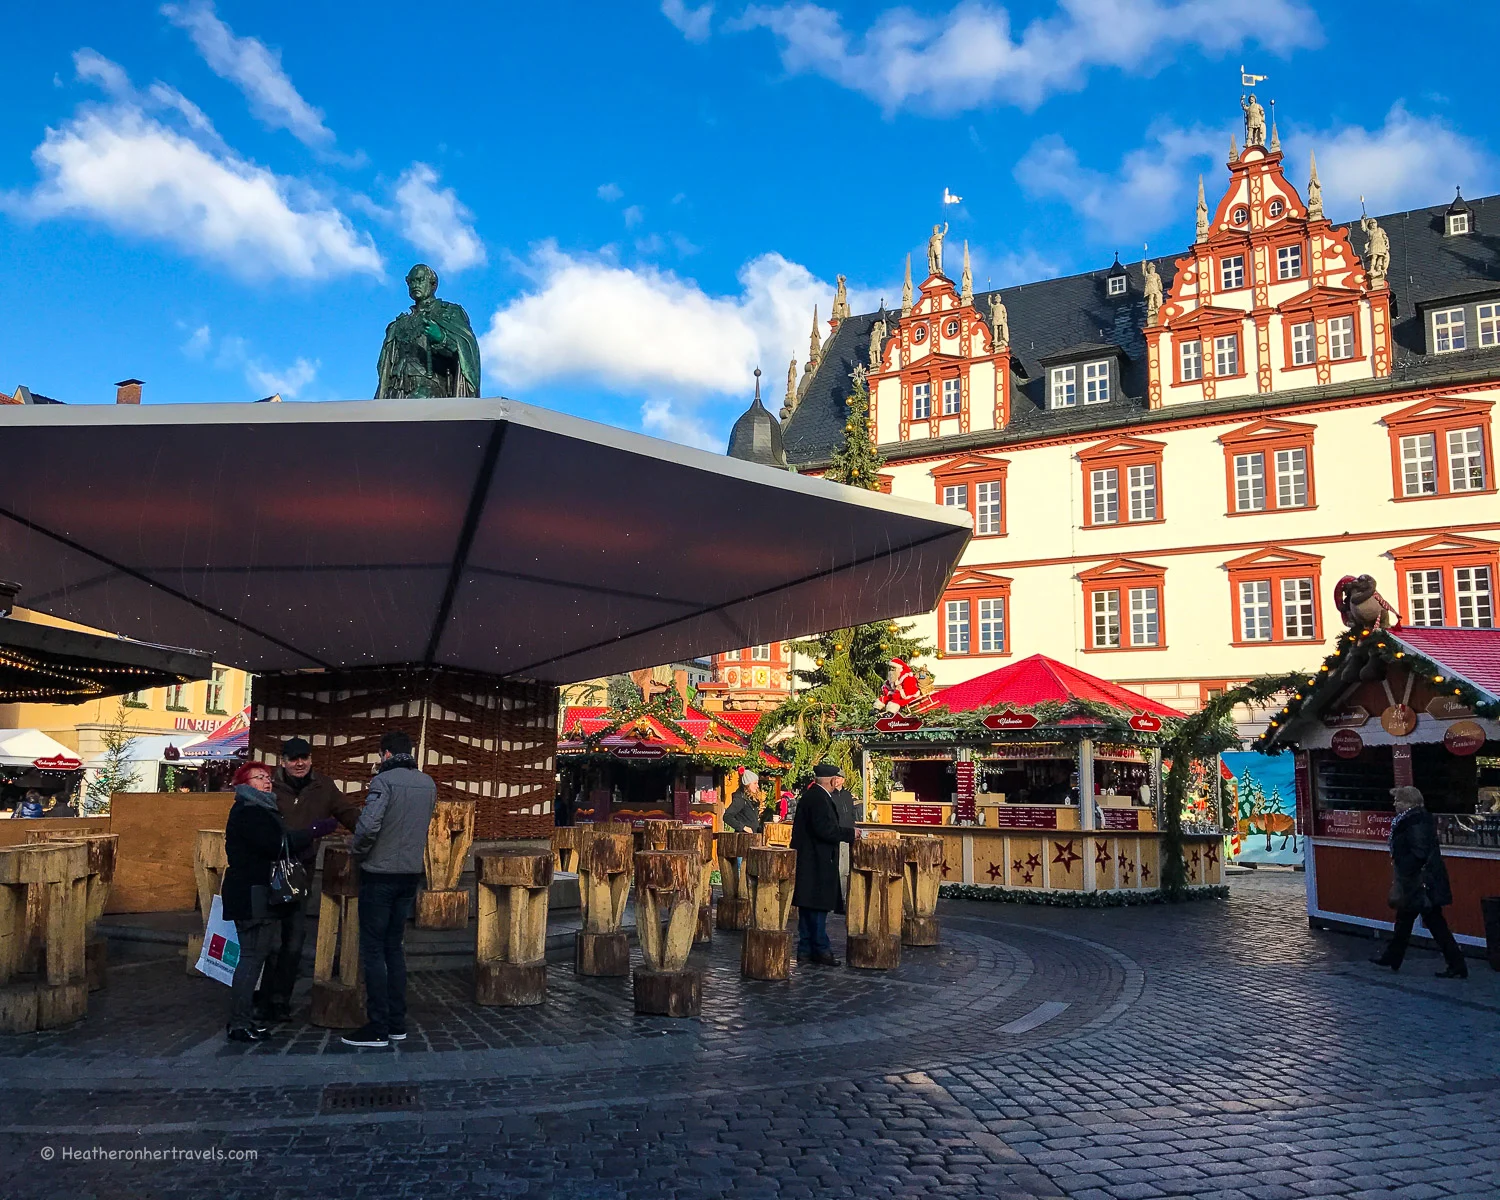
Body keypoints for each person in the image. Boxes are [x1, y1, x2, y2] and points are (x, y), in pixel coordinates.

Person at [221, 762, 339, 1042]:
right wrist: (313, 830)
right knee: (251, 958)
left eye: (267, 777)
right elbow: (276, 844)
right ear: (244, 784)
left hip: (255, 892)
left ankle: (245, 1018)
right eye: (258, 777)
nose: (266, 781)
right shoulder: (250, 811)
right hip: (253, 893)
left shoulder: (260, 809)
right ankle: (239, 1022)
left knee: (256, 957)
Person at [342, 731, 437, 1049]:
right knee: (394, 949)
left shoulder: (383, 782)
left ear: (384, 754)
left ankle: (378, 1026)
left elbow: (368, 826)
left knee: (373, 951)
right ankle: (397, 1023)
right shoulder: (428, 783)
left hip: (379, 874)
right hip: (409, 874)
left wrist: (357, 850)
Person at [260, 737, 362, 1022]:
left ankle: (281, 1000)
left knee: (293, 941)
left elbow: (348, 814)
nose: (299, 763)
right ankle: (260, 997)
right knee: (265, 940)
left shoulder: (324, 787)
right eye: (293, 758)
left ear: (311, 759)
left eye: (304, 757)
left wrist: (371, 829)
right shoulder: (269, 786)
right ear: (283, 761)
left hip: (299, 874)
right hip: (266, 871)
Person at [1372, 786, 1468, 979]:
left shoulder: (1415, 821)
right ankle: (1393, 956)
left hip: (1420, 881)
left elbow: (1419, 852)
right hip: (1418, 880)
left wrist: (1404, 868)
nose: (1394, 804)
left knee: (1432, 922)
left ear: (1408, 803)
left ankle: (1456, 964)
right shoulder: (1412, 819)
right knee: (1406, 919)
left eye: (1398, 800)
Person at [790, 763, 855, 966]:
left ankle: (806, 949)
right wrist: (850, 834)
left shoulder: (814, 796)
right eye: (836, 777)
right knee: (816, 906)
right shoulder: (818, 798)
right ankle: (820, 949)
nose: (838, 781)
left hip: (812, 860)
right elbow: (824, 829)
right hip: (816, 861)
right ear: (830, 780)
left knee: (809, 907)